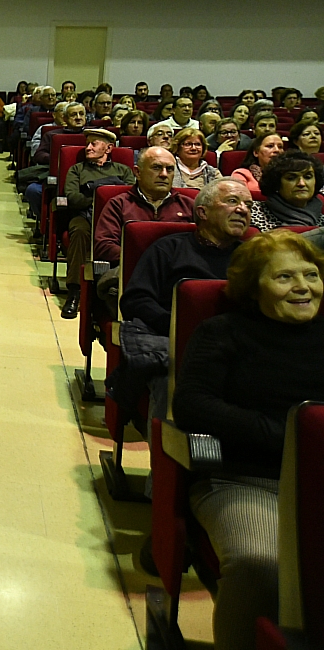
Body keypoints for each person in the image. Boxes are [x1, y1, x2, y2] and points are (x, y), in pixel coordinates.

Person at [173, 231, 324, 650]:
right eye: (284, 277)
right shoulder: (223, 332)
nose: (303, 287)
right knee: (261, 564)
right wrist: (287, 436)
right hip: (243, 480)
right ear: (254, 288)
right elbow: (193, 405)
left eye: (311, 275)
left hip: (318, 482)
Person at [120, 178, 251, 337]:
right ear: (203, 213)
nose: (243, 210)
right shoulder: (168, 249)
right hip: (172, 337)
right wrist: (178, 327)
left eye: (248, 205)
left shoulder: (252, 257)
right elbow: (136, 300)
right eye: (232, 201)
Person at [59, 129, 137, 319]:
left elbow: (129, 195)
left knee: (133, 232)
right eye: (87, 144)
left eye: (94, 143)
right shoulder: (77, 170)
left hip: (117, 218)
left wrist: (93, 189)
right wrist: (103, 193)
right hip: (85, 216)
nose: (88, 147)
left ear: (108, 148)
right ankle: (75, 291)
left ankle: (121, 288)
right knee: (79, 231)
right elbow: (73, 198)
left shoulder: (123, 170)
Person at [94, 147, 196, 266]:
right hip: (131, 269)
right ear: (138, 172)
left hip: (179, 269)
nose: (164, 174)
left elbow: (205, 242)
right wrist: (147, 260)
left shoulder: (189, 205)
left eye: (169, 169)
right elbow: (104, 246)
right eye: (156, 167)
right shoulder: (119, 204)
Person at [249, 151, 324, 231]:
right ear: (276, 183)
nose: (301, 183)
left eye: (308, 177)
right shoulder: (252, 212)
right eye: (291, 178)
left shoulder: (321, 220)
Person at [231, 131, 285, 196]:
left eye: (280, 147)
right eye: (270, 146)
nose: (277, 150)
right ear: (256, 152)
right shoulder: (241, 174)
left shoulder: (288, 175)